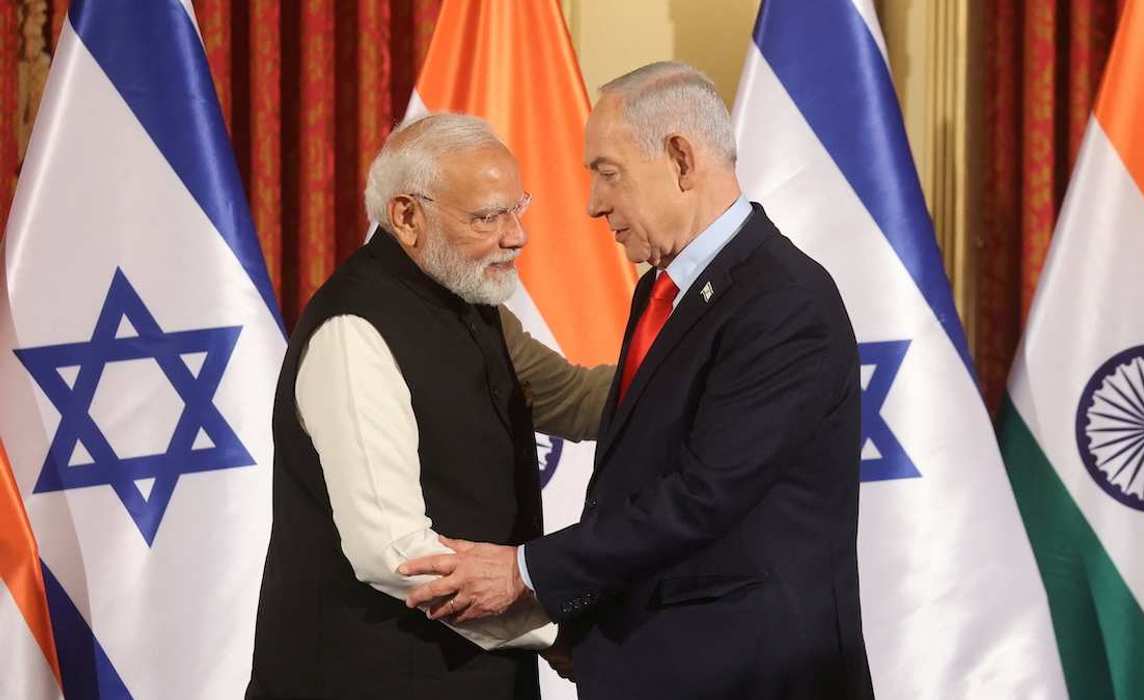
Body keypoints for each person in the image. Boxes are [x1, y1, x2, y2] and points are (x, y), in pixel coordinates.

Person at [402, 62, 874, 699]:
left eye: (607, 172)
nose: (594, 204)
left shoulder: (784, 302)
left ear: (680, 158)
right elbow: (640, 470)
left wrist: (525, 573)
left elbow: (701, 496)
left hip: (752, 675)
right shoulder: (662, 287)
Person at [246, 113, 610, 699]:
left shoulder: (471, 302)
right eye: (487, 217)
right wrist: (550, 629)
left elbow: (575, 398)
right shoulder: (353, 330)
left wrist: (712, 371)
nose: (516, 235)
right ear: (407, 217)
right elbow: (396, 554)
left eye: (519, 208)